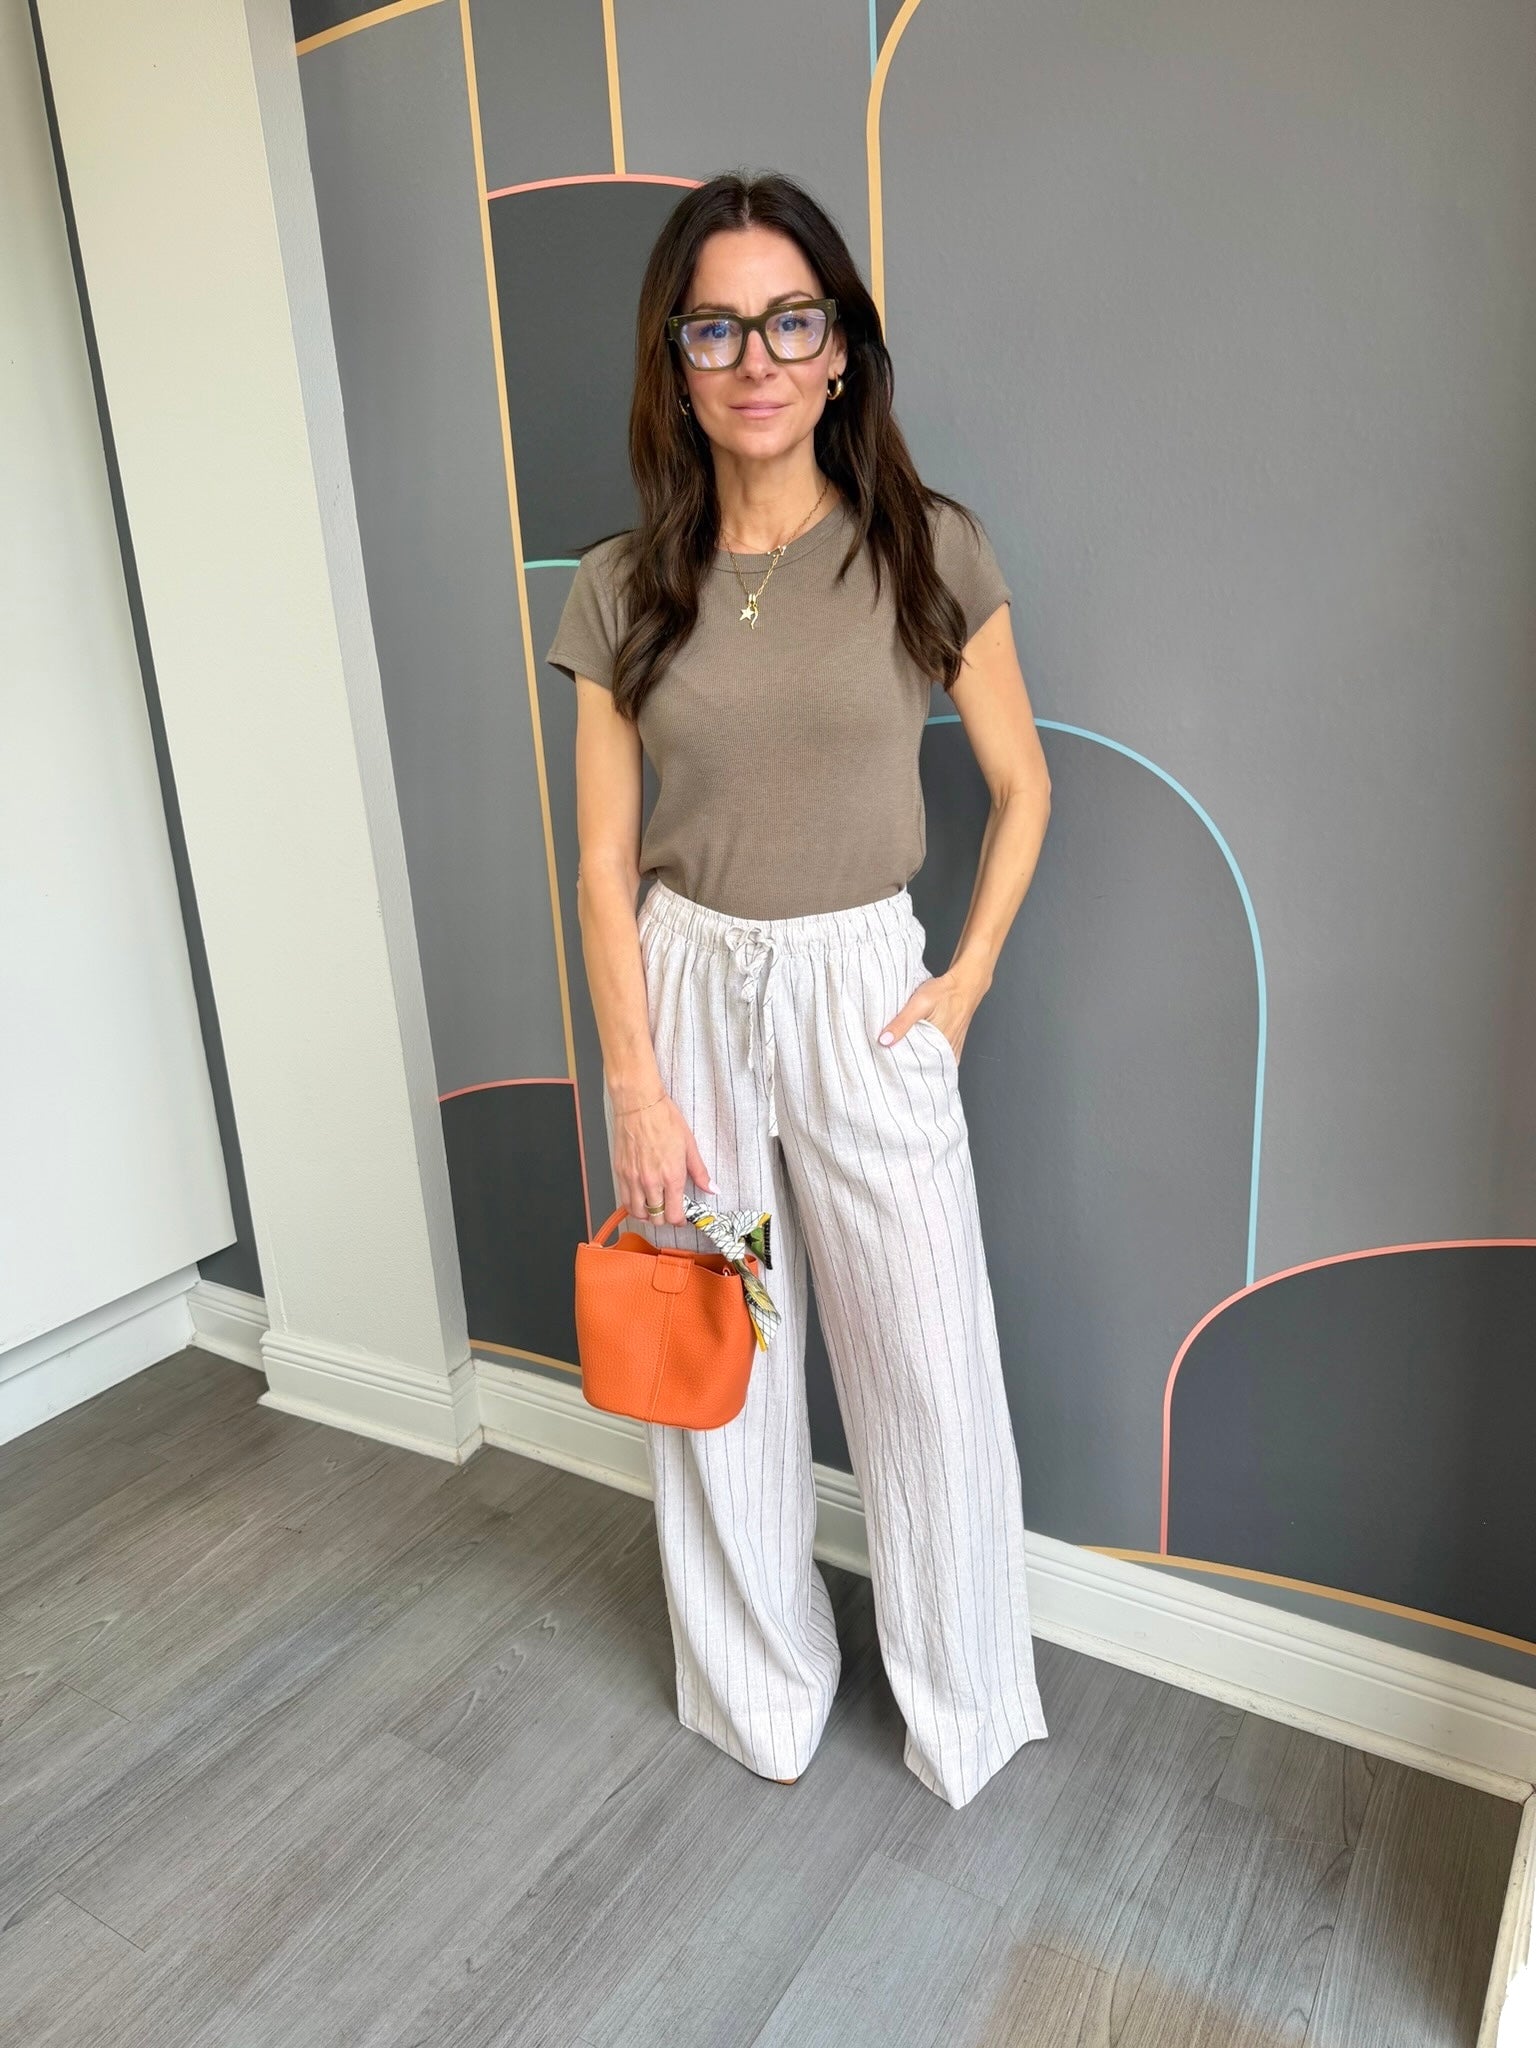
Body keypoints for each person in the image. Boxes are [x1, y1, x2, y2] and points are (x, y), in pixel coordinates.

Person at [545, 170, 1054, 1809]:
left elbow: (1024, 785)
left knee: (929, 1371)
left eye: (790, 320)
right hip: (687, 988)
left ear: (840, 351)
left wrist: (963, 979)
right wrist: (636, 1082)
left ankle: (964, 1705)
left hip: (861, 985)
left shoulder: (925, 546)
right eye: (717, 327)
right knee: (723, 1361)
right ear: (676, 360)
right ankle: (758, 1693)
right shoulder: (622, 583)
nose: (755, 357)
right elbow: (602, 863)